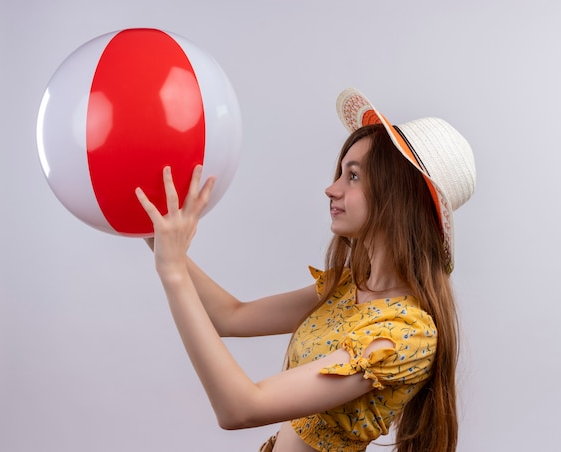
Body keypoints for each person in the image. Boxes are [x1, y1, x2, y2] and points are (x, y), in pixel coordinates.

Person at [136, 88, 476, 452]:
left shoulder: (406, 334)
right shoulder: (345, 287)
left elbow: (239, 408)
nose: (331, 189)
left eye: (354, 176)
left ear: (399, 195)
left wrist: (172, 271)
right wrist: (156, 234)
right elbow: (230, 316)